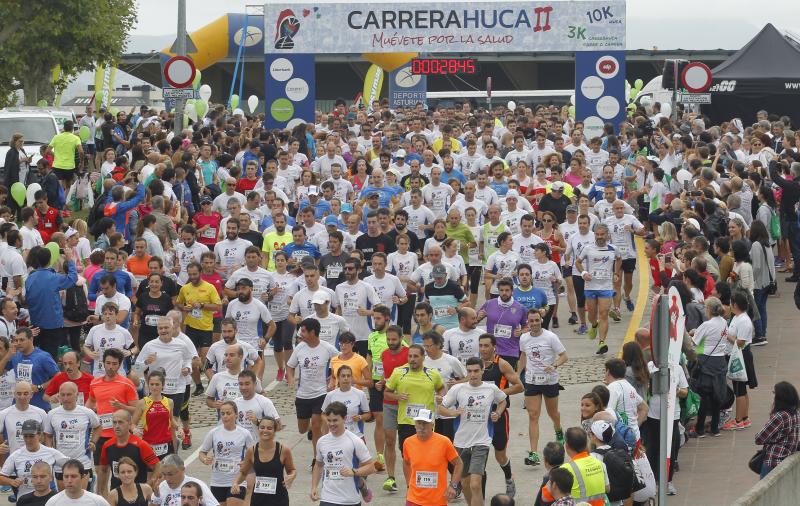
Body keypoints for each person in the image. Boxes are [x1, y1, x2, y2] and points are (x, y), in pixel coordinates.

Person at [439, 357, 507, 506]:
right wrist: (453, 413)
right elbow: (441, 407)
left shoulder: (491, 388)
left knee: (475, 484)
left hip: (482, 441)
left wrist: (498, 413)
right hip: (461, 442)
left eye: (476, 370)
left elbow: (503, 400)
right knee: (465, 483)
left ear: (483, 370)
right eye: (469, 371)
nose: (473, 374)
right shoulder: (458, 389)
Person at [518, 309, 568, 466]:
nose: (534, 324)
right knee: (533, 415)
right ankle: (534, 453)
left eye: (537, 320)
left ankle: (559, 430)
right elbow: (523, 356)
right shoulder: (524, 338)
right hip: (532, 381)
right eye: (531, 321)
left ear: (541, 320)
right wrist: (518, 374)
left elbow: (564, 356)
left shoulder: (551, 337)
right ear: (528, 322)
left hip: (549, 381)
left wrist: (554, 365)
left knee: (553, 413)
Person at [286, 318, 338, 461]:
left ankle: (317, 459)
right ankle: (311, 429)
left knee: (316, 426)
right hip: (303, 394)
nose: (300, 334)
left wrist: (333, 377)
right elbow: (290, 366)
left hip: (321, 393)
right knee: (303, 429)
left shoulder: (327, 348)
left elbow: (340, 361)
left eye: (303, 331)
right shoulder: (299, 348)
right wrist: (290, 378)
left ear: (313, 332)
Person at [310, 401, 375, 504]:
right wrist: (314, 487)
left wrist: (353, 472)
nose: (331, 424)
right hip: (328, 498)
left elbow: (372, 467)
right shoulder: (322, 441)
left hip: (349, 499)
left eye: (335, 420)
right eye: (329, 420)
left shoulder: (355, 441)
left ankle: (361, 484)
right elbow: (318, 465)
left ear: (344, 419)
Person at [176, 261, 222, 396]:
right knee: (193, 360)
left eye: (195, 274)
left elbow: (218, 307)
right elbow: (179, 302)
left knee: (205, 360)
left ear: (200, 273)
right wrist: (184, 307)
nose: (192, 276)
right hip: (191, 328)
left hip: (206, 328)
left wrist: (202, 305)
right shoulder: (185, 288)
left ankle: (214, 385)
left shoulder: (210, 287)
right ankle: (198, 385)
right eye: (190, 274)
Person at [575, 224, 621, 355]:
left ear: (607, 235)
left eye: (602, 235)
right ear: (594, 235)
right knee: (592, 315)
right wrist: (584, 273)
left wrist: (616, 273)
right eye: (597, 234)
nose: (600, 237)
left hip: (606, 287)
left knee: (604, 314)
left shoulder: (613, 249)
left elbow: (619, 259)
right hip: (590, 286)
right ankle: (594, 325)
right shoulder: (588, 248)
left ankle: (602, 342)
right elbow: (578, 262)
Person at [24, 246, 77, 359]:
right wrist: (70, 260)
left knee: (35, 354)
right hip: (52, 325)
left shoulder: (30, 278)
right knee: (50, 356)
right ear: (49, 260)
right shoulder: (53, 277)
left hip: (35, 324)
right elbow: (73, 278)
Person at [402, 408, 463, 506]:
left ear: (432, 425)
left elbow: (459, 464)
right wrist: (409, 485)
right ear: (415, 424)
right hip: (414, 499)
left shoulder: (444, 442)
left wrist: (453, 485)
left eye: (425, 423)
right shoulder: (408, 442)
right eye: (419, 423)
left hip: (437, 501)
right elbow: (406, 463)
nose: (422, 427)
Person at [230, 416, 296, 506]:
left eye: (269, 428)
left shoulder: (283, 450)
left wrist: (292, 476)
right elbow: (243, 472)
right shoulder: (252, 451)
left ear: (274, 431)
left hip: (279, 499)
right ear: (258, 429)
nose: (265, 430)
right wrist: (236, 483)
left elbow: (292, 470)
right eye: (262, 427)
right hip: (258, 499)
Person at [198, 401, 254, 506]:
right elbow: (202, 452)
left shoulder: (244, 433)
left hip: (237, 480)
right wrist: (205, 459)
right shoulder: (213, 433)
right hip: (217, 481)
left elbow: (253, 455)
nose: (225, 416)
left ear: (236, 414)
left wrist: (247, 463)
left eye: (228, 413)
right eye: (222, 413)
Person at [43, 382, 101, 478]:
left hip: (82, 462)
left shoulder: (87, 412)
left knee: (83, 493)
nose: (65, 398)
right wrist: (50, 451)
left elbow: (98, 427)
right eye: (62, 395)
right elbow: (48, 435)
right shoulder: (52, 414)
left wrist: (93, 442)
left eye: (69, 394)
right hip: (60, 464)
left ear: (76, 395)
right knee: (63, 493)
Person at [690, 297, 730, 437]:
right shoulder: (724, 322)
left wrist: (692, 334)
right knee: (716, 396)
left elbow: (694, 343)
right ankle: (714, 427)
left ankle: (700, 429)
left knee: (703, 396)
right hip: (720, 361)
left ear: (708, 309)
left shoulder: (706, 325)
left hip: (706, 362)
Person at [97, 410, 160, 496]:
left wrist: (149, 486)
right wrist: (100, 492)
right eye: (114, 422)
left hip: (138, 496)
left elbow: (157, 466)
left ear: (130, 424)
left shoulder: (140, 445)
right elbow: (103, 470)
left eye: (120, 422)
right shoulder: (107, 445)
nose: (117, 426)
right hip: (116, 494)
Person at [0, 420, 67, 499]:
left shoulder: (51, 452)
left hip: (48, 499)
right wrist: (12, 482)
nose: (28, 440)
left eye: (31, 436)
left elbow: (72, 466)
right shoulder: (16, 455)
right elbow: (1, 477)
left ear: (39, 435)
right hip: (25, 499)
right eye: (25, 436)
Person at [723, 291, 757, 430]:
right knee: (741, 389)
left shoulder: (743, 320)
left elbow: (741, 343)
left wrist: (726, 336)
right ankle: (744, 417)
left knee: (740, 390)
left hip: (741, 356)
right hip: (737, 355)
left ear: (735, 305)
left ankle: (738, 420)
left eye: (731, 303)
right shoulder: (737, 317)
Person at [0, 328, 58, 411]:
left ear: (31, 339)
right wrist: (7, 357)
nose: (18, 343)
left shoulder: (43, 356)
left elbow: (58, 376)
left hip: (39, 406)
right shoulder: (15, 355)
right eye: (16, 340)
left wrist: (40, 387)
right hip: (18, 405)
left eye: (22, 340)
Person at [477, 278, 528, 368]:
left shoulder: (520, 308)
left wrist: (521, 332)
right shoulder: (489, 304)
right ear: (498, 291)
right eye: (501, 290)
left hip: (511, 351)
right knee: (492, 380)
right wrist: (478, 318)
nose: (504, 293)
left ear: (512, 291)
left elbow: (528, 326)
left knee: (506, 380)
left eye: (507, 290)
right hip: (491, 351)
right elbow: (474, 321)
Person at [755, 381, 800, 478]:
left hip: (773, 460)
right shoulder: (796, 413)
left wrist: (772, 440)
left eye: (774, 394)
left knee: (765, 491)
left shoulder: (780, 416)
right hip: (787, 457)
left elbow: (759, 439)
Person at [321, 365, 371, 438]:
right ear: (338, 378)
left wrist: (360, 417)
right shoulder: (330, 395)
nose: (346, 378)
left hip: (356, 435)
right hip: (335, 434)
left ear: (351, 378)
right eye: (343, 376)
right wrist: (330, 422)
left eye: (348, 376)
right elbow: (323, 414)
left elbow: (368, 415)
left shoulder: (360, 394)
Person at [604, 358, 647, 441]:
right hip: (634, 435)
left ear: (608, 372)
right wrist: (635, 426)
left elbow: (609, 414)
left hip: (622, 438)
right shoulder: (629, 386)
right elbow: (644, 408)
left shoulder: (612, 387)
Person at [151, 454, 219, 506]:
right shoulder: (162, 486)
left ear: (182, 469)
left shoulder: (197, 485)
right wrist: (156, 497)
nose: (167, 479)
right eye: (164, 474)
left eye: (170, 474)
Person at [44, 460, 110, 506]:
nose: (69, 480)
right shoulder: (53, 502)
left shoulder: (98, 502)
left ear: (82, 477)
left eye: (73, 476)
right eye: (66, 476)